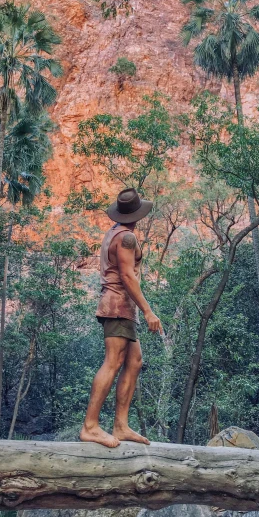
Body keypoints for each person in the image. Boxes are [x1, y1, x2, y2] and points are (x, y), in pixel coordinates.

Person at [80, 187, 163, 448]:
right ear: (137, 214)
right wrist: (149, 311)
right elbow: (127, 277)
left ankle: (121, 425)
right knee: (113, 362)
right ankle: (90, 427)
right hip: (117, 306)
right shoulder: (127, 237)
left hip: (123, 308)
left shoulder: (115, 232)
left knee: (135, 361)